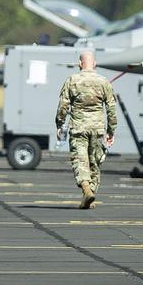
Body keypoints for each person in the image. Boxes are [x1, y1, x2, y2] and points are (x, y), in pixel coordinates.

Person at [56, 50, 117, 209]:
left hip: (78, 128)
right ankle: (90, 195)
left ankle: (86, 190)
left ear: (79, 63)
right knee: (94, 162)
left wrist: (59, 124)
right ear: (95, 63)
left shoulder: (72, 80)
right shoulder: (104, 82)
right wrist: (111, 131)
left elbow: (63, 106)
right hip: (97, 129)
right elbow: (111, 109)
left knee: (80, 160)